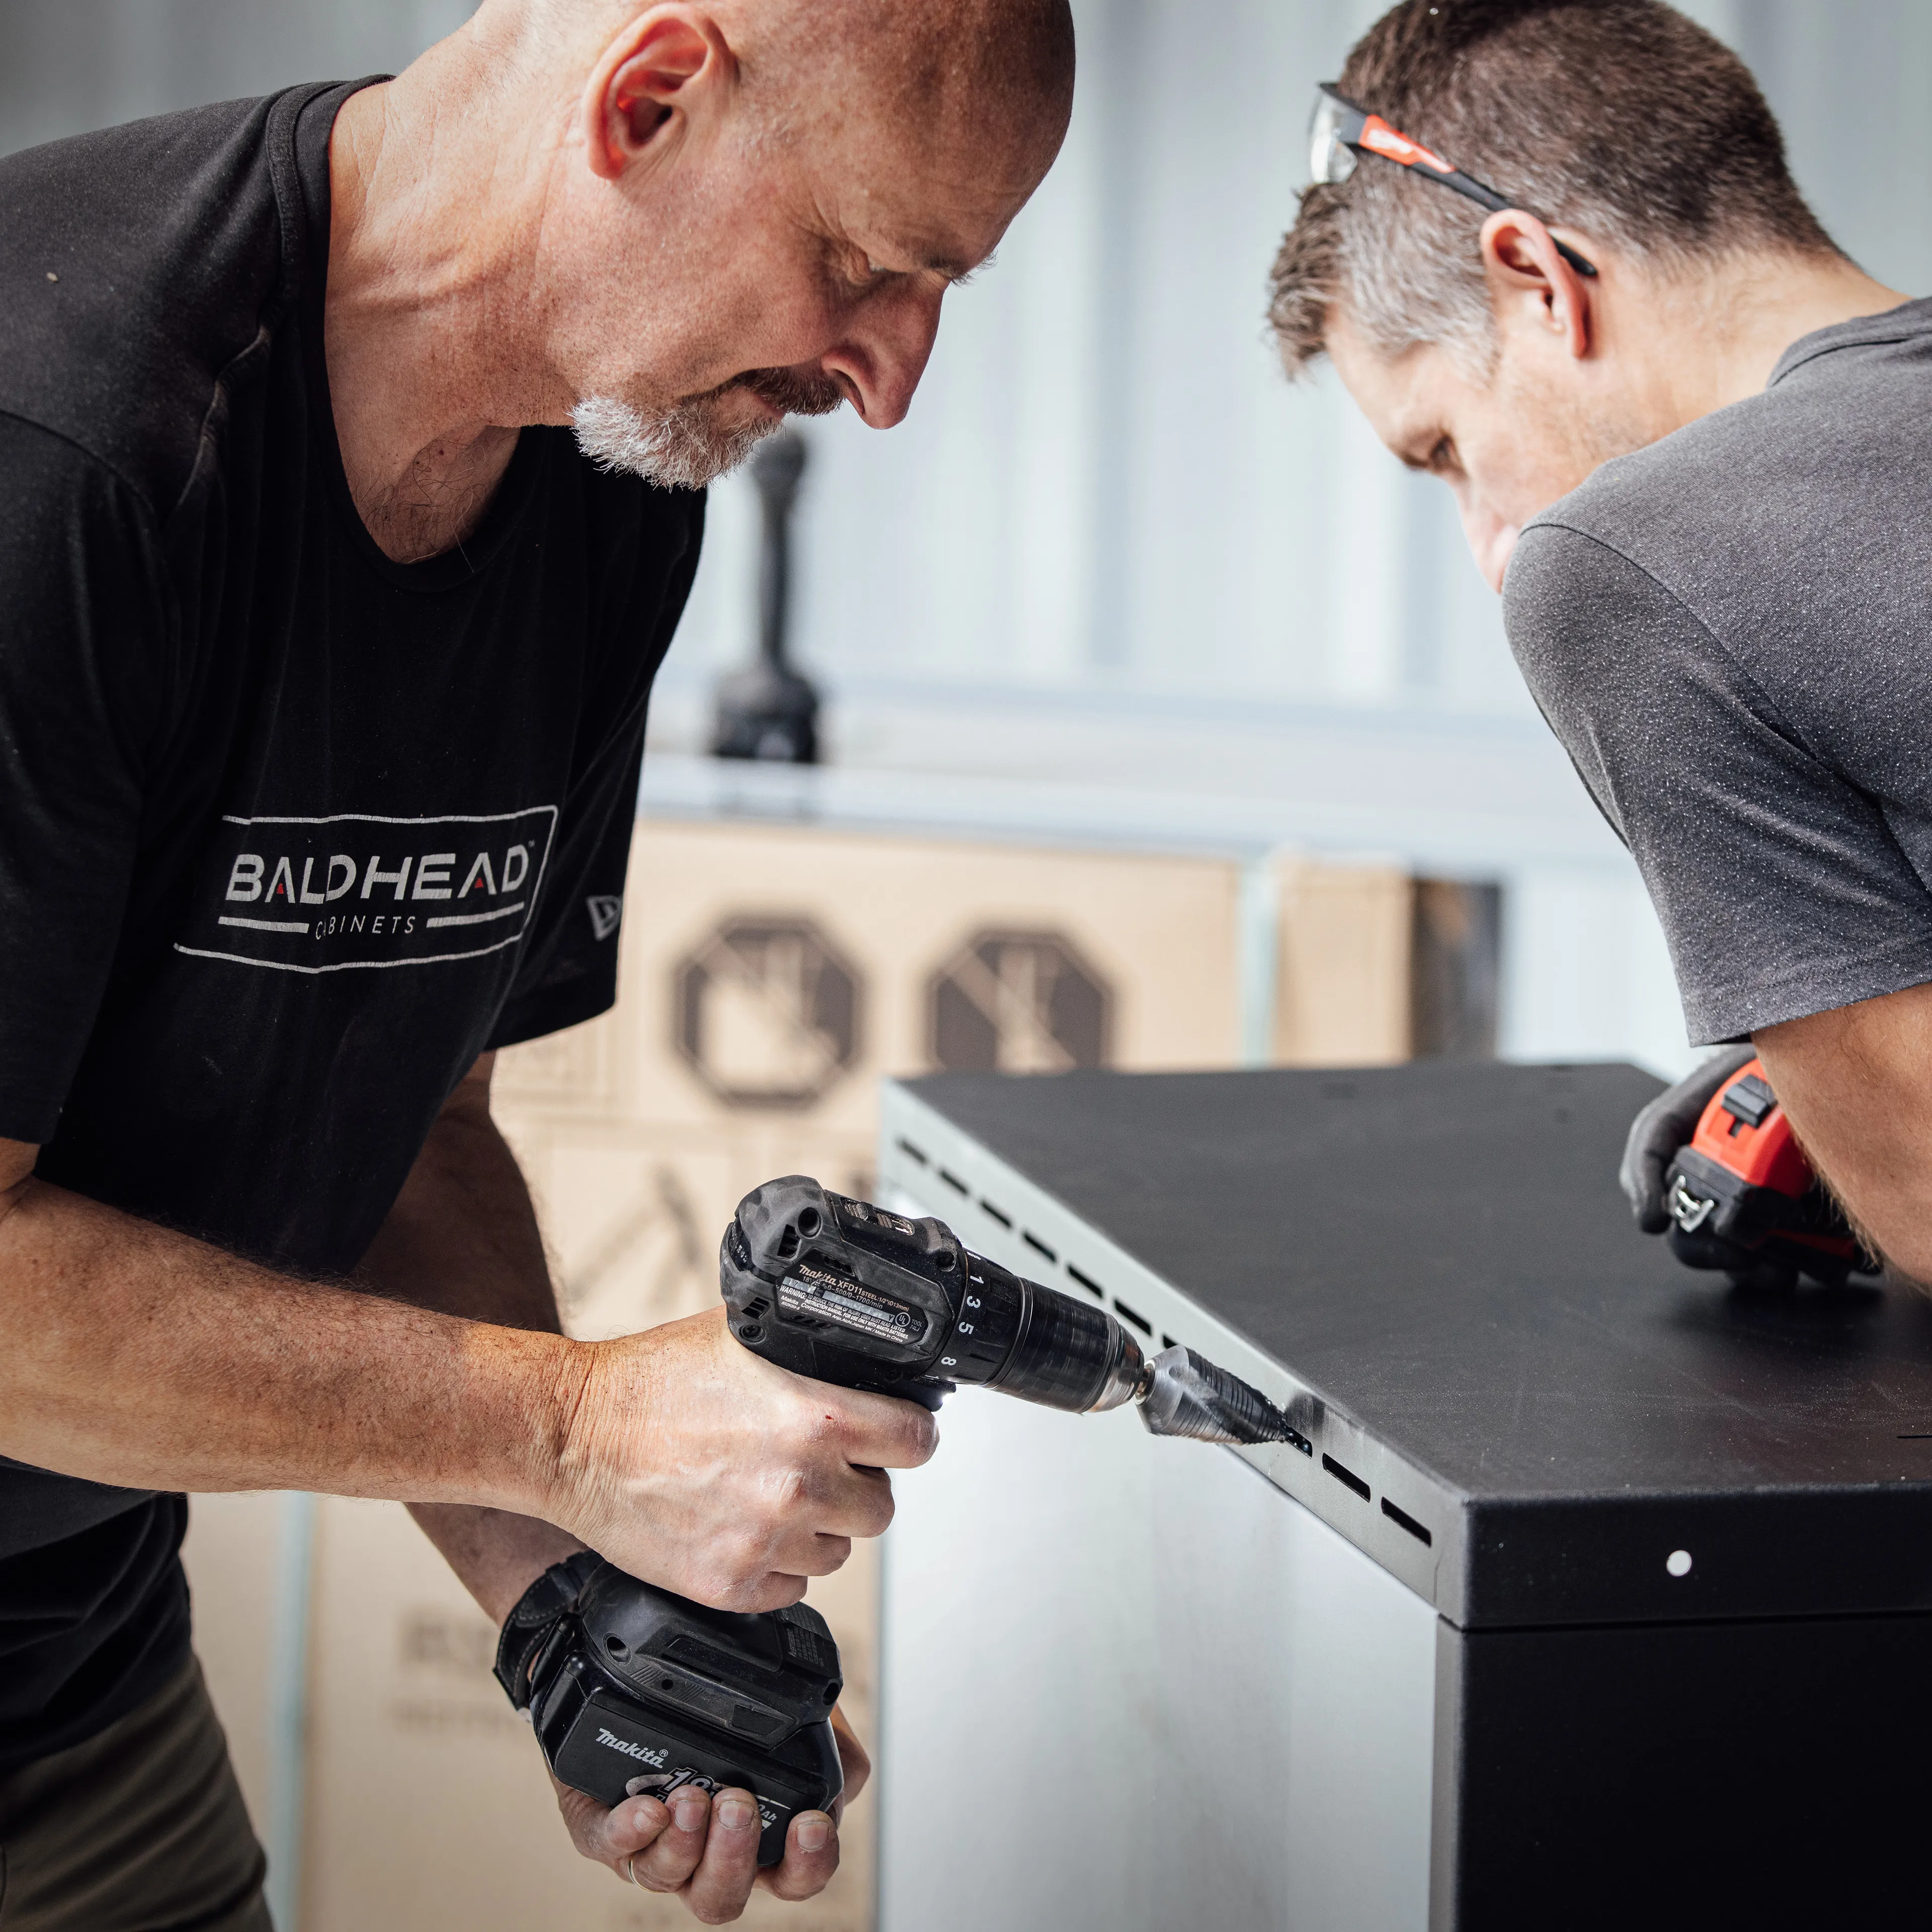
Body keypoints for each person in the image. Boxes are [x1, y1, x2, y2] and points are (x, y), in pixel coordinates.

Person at [0, 0, 1074, 1921]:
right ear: (649, 99)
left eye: (937, 292)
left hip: (66, 1677)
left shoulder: (607, 467)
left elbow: (408, 1127)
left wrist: (571, 1604)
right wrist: (574, 1432)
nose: (892, 378)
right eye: (858, 264)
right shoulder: (58, 440)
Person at [1268, 0, 1932, 1270]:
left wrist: (1878, 1163)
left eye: (1448, 452)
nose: (1490, 546)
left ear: (1539, 282)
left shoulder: (1626, 568)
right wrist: (1817, 1075)